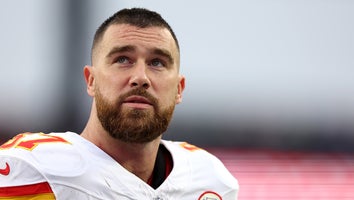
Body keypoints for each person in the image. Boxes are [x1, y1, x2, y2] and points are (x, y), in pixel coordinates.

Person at [0, 8, 239, 199]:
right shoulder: (34, 169)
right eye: (123, 59)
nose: (140, 78)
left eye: (157, 62)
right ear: (91, 80)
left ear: (179, 89)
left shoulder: (210, 179)